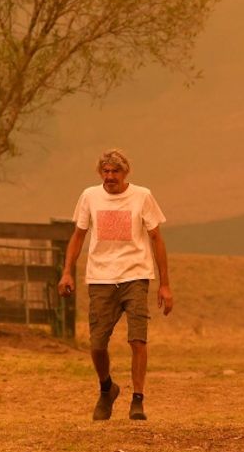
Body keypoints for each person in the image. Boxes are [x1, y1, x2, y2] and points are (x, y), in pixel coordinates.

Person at [58, 148, 173, 421]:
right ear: (101, 173)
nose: (110, 177)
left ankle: (138, 400)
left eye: (115, 172)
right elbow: (78, 236)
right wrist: (67, 272)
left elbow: (157, 238)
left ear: (125, 173)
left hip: (135, 275)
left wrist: (165, 284)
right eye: (106, 172)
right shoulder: (89, 196)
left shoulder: (142, 196)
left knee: (137, 339)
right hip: (101, 277)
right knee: (97, 344)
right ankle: (107, 388)